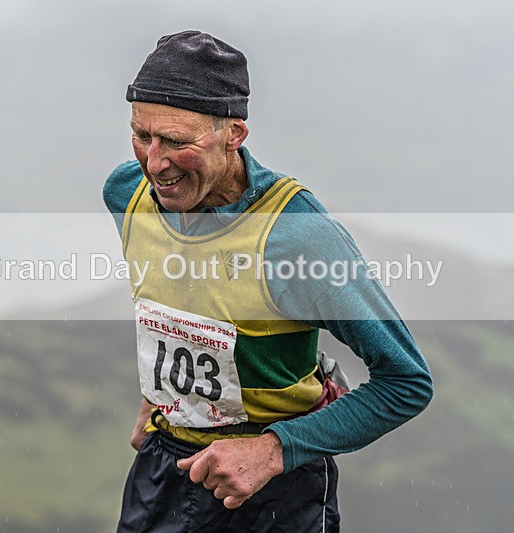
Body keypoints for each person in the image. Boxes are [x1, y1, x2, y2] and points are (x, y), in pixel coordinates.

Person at [103, 30, 433, 533]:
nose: (154, 163)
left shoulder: (296, 235)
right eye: (141, 135)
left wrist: (272, 451)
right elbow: (177, 308)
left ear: (234, 133)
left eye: (176, 141)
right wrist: (164, 399)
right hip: (161, 469)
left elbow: (406, 383)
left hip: (273, 494)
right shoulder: (127, 194)